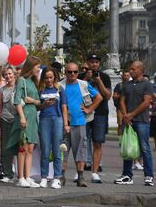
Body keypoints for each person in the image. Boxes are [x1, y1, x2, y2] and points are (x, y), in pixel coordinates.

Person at [59, 62, 102, 187]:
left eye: (75, 72)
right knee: (63, 151)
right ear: (65, 72)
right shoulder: (60, 85)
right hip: (64, 123)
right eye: (69, 72)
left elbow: (99, 97)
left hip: (80, 122)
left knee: (81, 151)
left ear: (78, 72)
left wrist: (89, 109)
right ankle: (61, 177)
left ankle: (81, 177)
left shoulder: (83, 84)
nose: (72, 74)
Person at [115, 61, 154, 187]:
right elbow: (122, 100)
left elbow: (146, 102)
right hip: (129, 122)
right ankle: (127, 175)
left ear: (140, 70)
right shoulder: (127, 85)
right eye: (130, 69)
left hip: (142, 121)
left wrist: (132, 114)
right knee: (128, 147)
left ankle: (148, 176)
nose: (131, 71)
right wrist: (126, 115)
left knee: (145, 148)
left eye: (133, 69)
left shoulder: (147, 84)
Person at [7, 56, 41, 188]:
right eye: (37, 67)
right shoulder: (21, 80)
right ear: (31, 67)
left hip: (33, 117)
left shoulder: (33, 82)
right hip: (24, 116)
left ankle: (28, 176)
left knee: (30, 148)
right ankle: (20, 177)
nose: (39, 69)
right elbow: (17, 100)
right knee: (22, 147)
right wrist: (21, 117)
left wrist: (32, 101)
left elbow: (38, 101)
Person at [81, 53, 112, 183]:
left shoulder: (104, 77)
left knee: (97, 143)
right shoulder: (80, 77)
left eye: (96, 62)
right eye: (92, 62)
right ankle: (80, 172)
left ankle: (94, 172)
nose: (94, 64)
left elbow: (107, 95)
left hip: (100, 114)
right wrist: (86, 80)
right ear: (87, 63)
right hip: (84, 113)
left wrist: (99, 82)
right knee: (81, 142)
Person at [38, 67, 68, 189]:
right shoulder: (41, 90)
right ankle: (44, 177)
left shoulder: (60, 90)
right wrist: (44, 104)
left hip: (57, 120)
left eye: (51, 77)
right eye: (47, 78)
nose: (49, 80)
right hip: (44, 120)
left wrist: (66, 124)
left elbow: (64, 108)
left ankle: (57, 177)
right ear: (43, 78)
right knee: (45, 150)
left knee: (57, 150)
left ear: (55, 77)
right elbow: (37, 107)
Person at [0, 66, 17, 183]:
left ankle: (21, 173)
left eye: (10, 74)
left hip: (17, 120)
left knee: (18, 148)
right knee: (5, 148)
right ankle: (7, 173)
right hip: (5, 120)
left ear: (14, 74)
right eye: (6, 74)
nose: (8, 76)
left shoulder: (19, 88)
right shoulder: (2, 90)